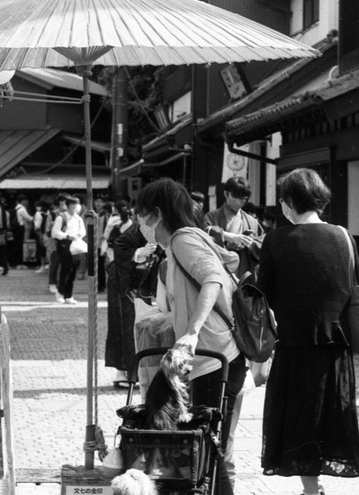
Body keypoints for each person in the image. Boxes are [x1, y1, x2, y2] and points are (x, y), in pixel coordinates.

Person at [257, 168, 359, 493]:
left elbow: (263, 300)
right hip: (334, 349)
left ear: (290, 201)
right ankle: (313, 487)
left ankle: (310, 487)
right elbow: (354, 291)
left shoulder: (275, 240)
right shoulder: (343, 237)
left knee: (298, 421)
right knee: (328, 418)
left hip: (292, 347)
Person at [135, 178, 245, 495]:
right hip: (215, 356)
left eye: (142, 216)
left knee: (208, 450)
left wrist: (192, 332)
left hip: (213, 357)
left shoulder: (183, 240)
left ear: (156, 214)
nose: (140, 224)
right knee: (208, 449)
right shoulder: (181, 245)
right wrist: (168, 321)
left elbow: (212, 280)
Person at [204, 177, 263, 278]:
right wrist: (230, 237)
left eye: (244, 198)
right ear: (226, 194)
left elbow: (263, 244)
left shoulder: (252, 222)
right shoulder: (211, 217)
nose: (240, 201)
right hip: (219, 273)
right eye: (236, 196)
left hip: (244, 273)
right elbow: (203, 232)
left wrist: (251, 244)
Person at [105, 204, 137, 386]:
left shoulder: (134, 226)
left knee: (131, 325)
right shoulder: (130, 228)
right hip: (121, 281)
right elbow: (116, 248)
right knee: (124, 324)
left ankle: (131, 371)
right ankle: (122, 372)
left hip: (132, 280)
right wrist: (138, 253)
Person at [51, 194, 86, 304]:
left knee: (73, 270)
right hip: (65, 245)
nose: (77, 206)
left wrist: (79, 235)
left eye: (77, 204)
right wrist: (67, 236)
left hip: (76, 245)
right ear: (69, 206)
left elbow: (83, 231)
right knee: (65, 269)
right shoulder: (61, 217)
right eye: (74, 204)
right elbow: (55, 233)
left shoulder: (78, 218)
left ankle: (68, 295)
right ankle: (60, 293)